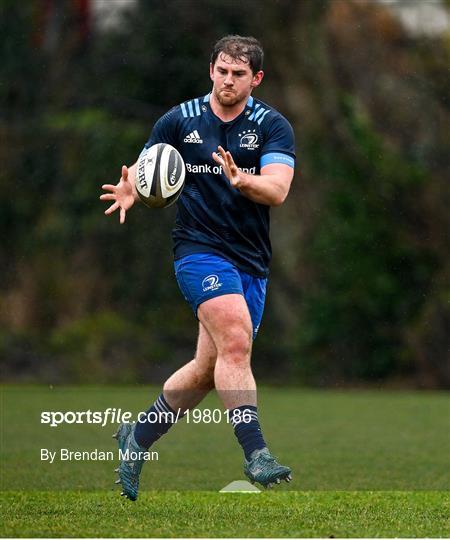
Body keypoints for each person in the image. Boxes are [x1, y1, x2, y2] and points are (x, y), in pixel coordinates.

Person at [101, 35, 295, 501]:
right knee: (235, 340)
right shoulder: (179, 120)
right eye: (222, 71)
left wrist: (243, 179)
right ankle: (257, 454)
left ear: (256, 79)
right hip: (198, 250)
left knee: (210, 369)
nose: (228, 81)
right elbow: (147, 172)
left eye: (239, 75)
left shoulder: (272, 125)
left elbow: (278, 191)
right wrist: (134, 192)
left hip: (251, 259)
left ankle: (138, 436)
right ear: (211, 69)